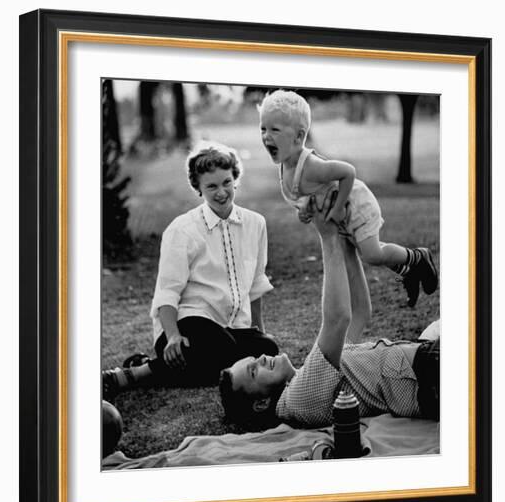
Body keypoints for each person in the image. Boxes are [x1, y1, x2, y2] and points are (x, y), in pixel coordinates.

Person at [219, 195, 439, 430]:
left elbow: (359, 312)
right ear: (261, 404)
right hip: (430, 373)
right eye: (254, 370)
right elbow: (338, 320)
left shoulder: (313, 374)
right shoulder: (298, 399)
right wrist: (328, 236)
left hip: (426, 360)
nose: (261, 358)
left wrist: (345, 243)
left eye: (254, 359)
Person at [103, 141, 278, 400]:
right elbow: (167, 292)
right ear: (198, 188)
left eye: (226, 183)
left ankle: (147, 366)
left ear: (235, 179)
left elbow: (256, 284)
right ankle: (133, 375)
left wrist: (258, 331)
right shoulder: (182, 229)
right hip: (188, 326)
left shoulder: (255, 224)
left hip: (229, 329)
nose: (221, 192)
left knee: (268, 349)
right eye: (211, 186)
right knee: (220, 347)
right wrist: (172, 336)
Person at [258, 89, 438, 307]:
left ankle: (417, 257)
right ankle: (407, 271)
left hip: (357, 205)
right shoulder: (286, 166)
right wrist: (304, 211)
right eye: (263, 129)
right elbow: (308, 196)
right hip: (343, 216)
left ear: (298, 136)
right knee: (368, 251)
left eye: (274, 130)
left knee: (372, 254)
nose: (266, 135)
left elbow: (348, 172)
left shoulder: (313, 167)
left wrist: (337, 208)